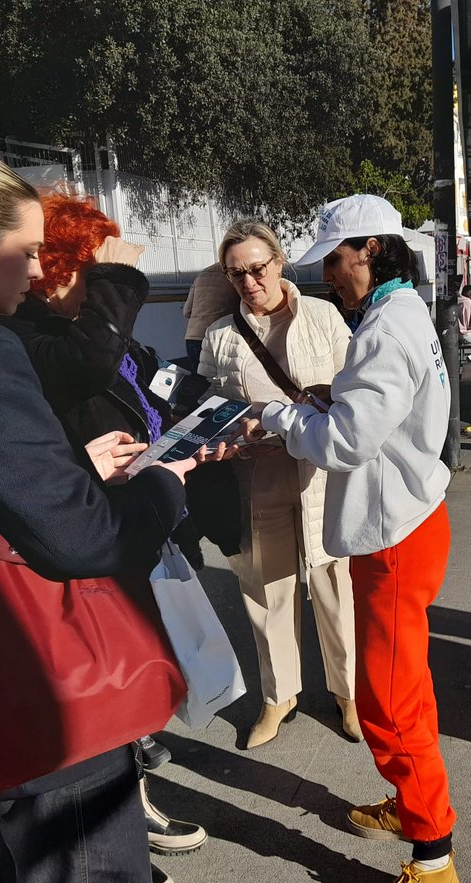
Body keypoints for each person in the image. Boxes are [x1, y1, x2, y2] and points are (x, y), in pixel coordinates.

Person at [0, 147, 230, 883]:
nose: (34, 273)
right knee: (84, 879)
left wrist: (71, 471)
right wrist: (160, 480)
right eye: (25, 252)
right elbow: (83, 540)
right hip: (33, 683)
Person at [0, 192, 212, 883]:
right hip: (82, 540)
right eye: (87, 272)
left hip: (131, 517)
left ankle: (133, 809)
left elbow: (136, 379)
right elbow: (86, 365)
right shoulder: (30, 336)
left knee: (135, 685)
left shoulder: (83, 328)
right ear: (58, 270)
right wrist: (115, 286)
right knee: (103, 691)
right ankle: (116, 834)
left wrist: (196, 425)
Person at [242, 195, 462, 883]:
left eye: (333, 259)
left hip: (394, 533)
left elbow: (345, 443)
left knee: (390, 707)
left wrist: (281, 415)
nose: (327, 274)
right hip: (410, 518)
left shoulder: (383, 327)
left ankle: (434, 866)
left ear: (369, 249)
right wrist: (331, 393)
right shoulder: (402, 310)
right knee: (401, 693)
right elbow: (380, 407)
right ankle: (415, 807)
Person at [198, 220, 360, 749]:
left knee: (334, 583)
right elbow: (209, 408)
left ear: (280, 261)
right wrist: (227, 433)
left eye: (257, 268)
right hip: (255, 473)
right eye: (236, 273)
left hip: (319, 471)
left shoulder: (322, 316)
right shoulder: (222, 335)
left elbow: (352, 392)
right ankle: (279, 696)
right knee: (266, 588)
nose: (249, 281)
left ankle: (348, 693)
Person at [183, 262, 238, 373]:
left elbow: (187, 311)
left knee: (199, 381)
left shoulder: (202, 275)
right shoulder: (235, 276)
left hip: (193, 338)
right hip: (220, 337)